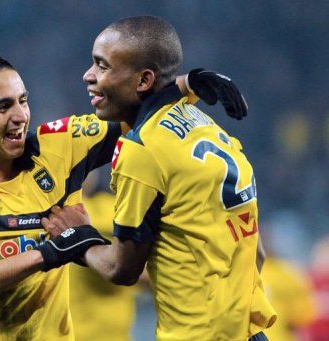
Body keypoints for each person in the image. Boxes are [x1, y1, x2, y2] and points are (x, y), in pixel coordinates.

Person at [0, 44, 248, 340]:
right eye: (2, 107)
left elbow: (132, 109)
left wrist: (186, 83)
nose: (21, 116)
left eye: (23, 101)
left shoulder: (59, 148)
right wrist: (48, 253)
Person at [42, 16, 276, 340]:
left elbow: (122, 270)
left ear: (143, 80)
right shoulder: (203, 122)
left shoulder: (141, 149)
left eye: (102, 66)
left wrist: (76, 237)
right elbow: (257, 254)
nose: (88, 75)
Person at [69, 170, 139, 341]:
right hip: (93, 333)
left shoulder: (111, 209)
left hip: (102, 333)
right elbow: (136, 269)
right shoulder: (109, 212)